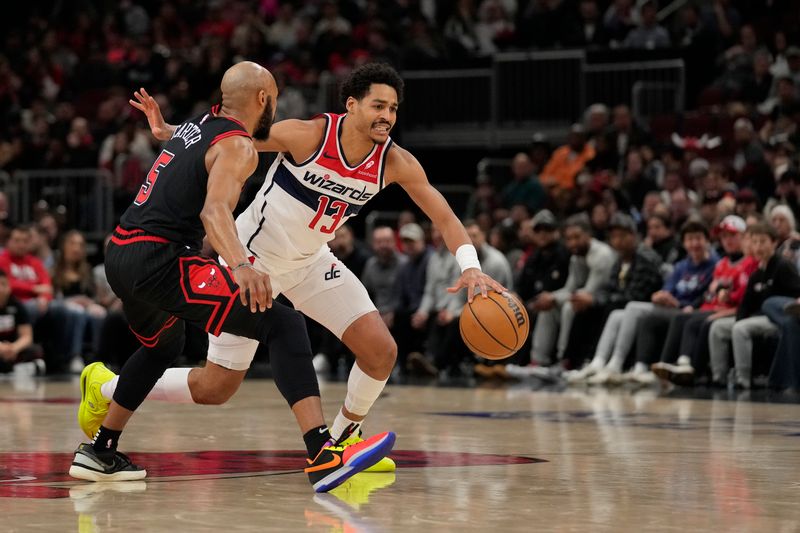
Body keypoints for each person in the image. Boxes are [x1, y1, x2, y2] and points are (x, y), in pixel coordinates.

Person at [91, 63, 503, 464]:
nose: (387, 116)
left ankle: (342, 439)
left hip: (310, 262)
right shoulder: (307, 135)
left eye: (393, 108)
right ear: (352, 105)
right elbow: (230, 137)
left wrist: (470, 264)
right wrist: (173, 134)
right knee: (215, 388)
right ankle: (108, 388)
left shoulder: (395, 162)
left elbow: (445, 217)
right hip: (253, 260)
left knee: (380, 351)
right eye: (378, 106)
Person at [70, 62, 395, 493]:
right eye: (275, 99)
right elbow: (214, 211)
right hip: (162, 259)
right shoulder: (239, 145)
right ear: (264, 99)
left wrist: (167, 130)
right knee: (283, 323)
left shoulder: (200, 125)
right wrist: (241, 265)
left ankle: (100, 449)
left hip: (121, 253)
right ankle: (321, 453)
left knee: (161, 347)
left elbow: (192, 150)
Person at [0, 270, 44, 375]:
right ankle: (18, 370)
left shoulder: (17, 305)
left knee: (36, 350)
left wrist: (14, 348)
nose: (0, 289)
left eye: (3, 285)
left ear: (9, 287)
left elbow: (27, 336)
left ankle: (11, 369)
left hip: (13, 348)